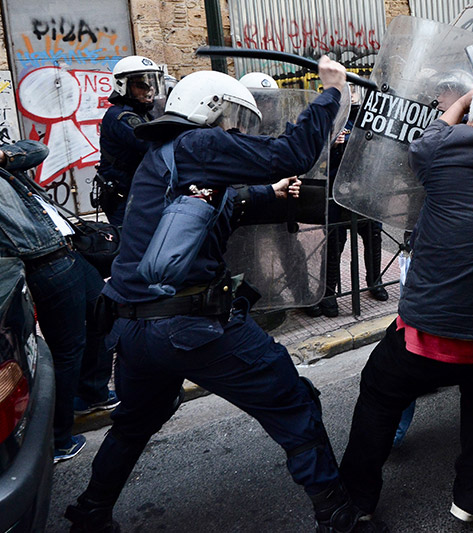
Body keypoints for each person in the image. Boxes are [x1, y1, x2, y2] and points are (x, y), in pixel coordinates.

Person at [65, 59, 383, 533]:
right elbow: (293, 152)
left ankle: (90, 513)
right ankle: (339, 517)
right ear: (212, 110)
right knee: (293, 403)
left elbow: (218, 206)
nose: (238, 133)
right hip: (191, 326)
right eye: (235, 121)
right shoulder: (201, 142)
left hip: (133, 330)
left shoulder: (163, 157)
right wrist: (332, 92)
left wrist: (268, 192)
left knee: (133, 425)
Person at [338, 88, 473, 526]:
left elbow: (428, 134)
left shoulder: (446, 152)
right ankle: (472, 499)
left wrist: (468, 96)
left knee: (378, 390)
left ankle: (356, 501)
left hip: (432, 337)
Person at [0, 140, 116, 463]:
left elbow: (37, 150)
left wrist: (4, 155)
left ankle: (91, 393)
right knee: (68, 350)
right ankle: (58, 439)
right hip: (46, 263)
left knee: (102, 311)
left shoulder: (4, 161)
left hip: (67, 250)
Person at [308, 82, 388, 318]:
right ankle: (329, 292)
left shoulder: (369, 114)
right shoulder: (326, 115)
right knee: (335, 240)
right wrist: (331, 145)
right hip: (335, 191)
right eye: (346, 89)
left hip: (365, 189)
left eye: (353, 89)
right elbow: (312, 156)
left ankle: (374, 281)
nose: (351, 94)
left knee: (373, 233)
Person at [95, 55, 164, 226]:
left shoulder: (144, 113)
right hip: (122, 197)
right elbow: (150, 142)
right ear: (123, 85)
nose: (148, 90)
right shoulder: (120, 116)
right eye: (140, 85)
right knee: (132, 246)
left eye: (151, 84)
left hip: (137, 193)